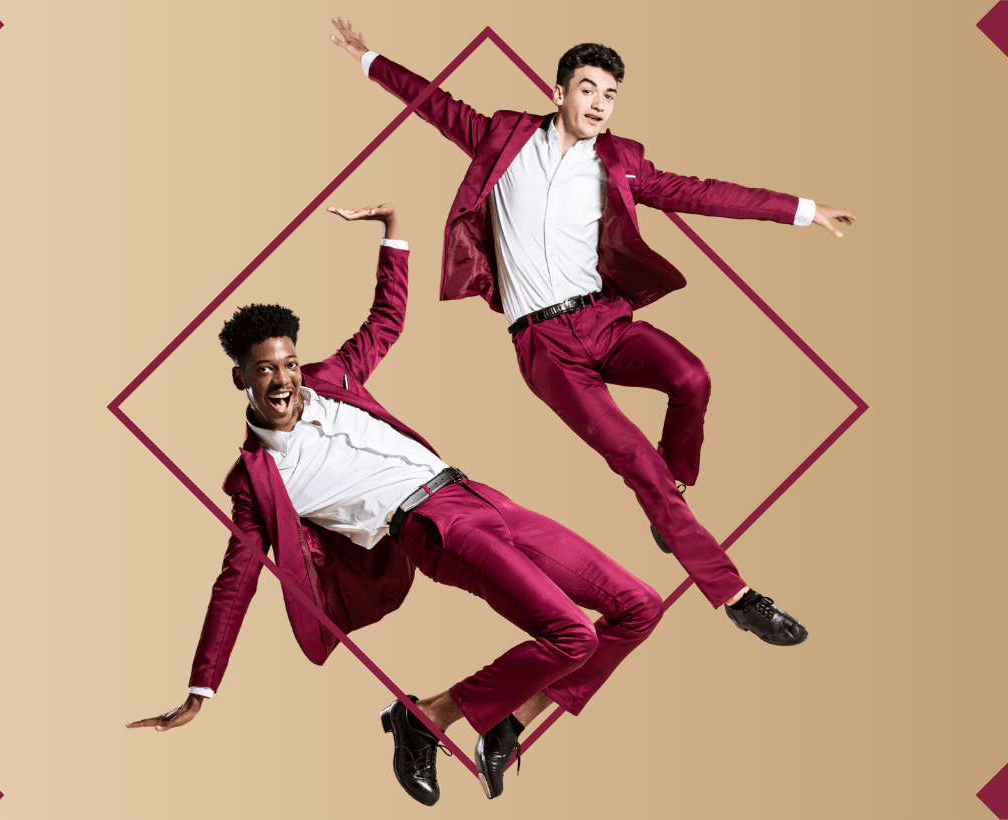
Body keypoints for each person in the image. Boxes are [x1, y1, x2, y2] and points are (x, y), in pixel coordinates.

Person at [329, 19, 859, 642]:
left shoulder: (621, 161)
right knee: (635, 459)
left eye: (610, 95)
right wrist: (369, 58)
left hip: (604, 321)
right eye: (588, 90)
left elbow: (701, 192)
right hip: (544, 349)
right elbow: (431, 103)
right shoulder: (502, 137)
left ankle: (674, 493)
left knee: (691, 378)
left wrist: (801, 210)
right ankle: (735, 594)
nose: (600, 105)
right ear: (559, 93)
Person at [126, 204, 665, 804]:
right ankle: (427, 716)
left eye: (289, 363)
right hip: (432, 529)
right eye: (264, 371)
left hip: (482, 495)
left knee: (640, 605)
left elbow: (384, 321)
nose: (283, 380)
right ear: (240, 380)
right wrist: (203, 688)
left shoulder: (334, 378)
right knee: (572, 635)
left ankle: (505, 719)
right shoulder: (257, 476)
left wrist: (394, 232)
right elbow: (235, 582)